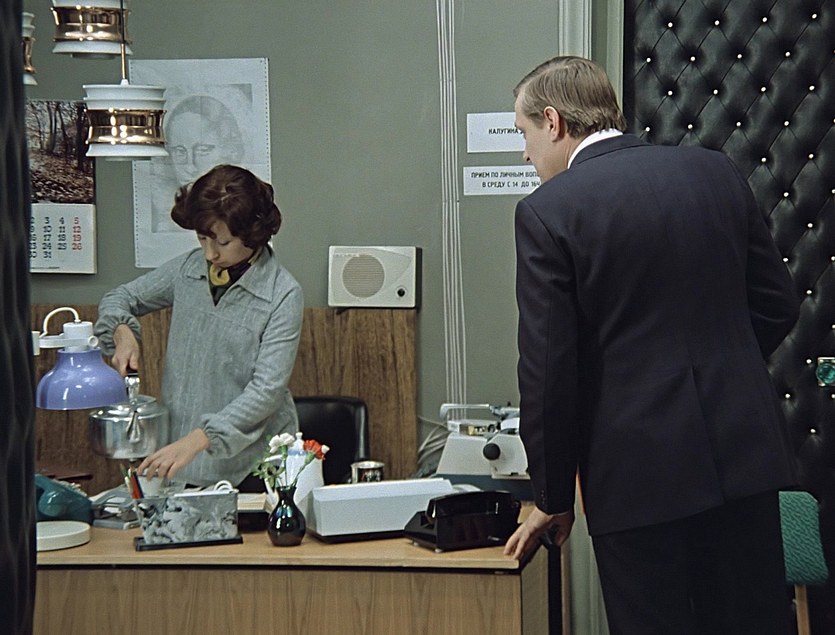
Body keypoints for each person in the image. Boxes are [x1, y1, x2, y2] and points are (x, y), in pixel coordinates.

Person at [503, 56, 799, 634]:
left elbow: (548, 373)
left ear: (553, 121)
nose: (525, 154)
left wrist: (552, 496)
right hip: (745, 458)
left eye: (524, 134)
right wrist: (726, 367)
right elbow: (777, 305)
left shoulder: (547, 212)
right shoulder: (715, 171)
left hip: (635, 475)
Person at [95, 164, 303, 491]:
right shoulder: (189, 269)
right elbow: (121, 297)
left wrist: (200, 438)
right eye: (202, 238)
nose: (209, 253)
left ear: (253, 233)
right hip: (184, 456)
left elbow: (266, 392)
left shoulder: (282, 294)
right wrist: (122, 332)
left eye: (222, 241)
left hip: (255, 466)